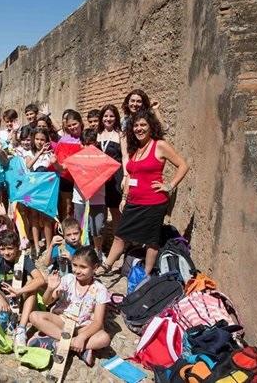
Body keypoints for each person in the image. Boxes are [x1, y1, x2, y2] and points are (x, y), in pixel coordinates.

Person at [98, 110, 189, 276]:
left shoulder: (160, 145)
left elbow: (183, 165)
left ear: (151, 127)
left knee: (151, 241)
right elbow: (131, 175)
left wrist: (169, 185)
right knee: (120, 235)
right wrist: (125, 197)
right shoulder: (136, 148)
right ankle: (106, 266)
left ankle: (145, 275)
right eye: (136, 125)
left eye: (143, 125)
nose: (139, 129)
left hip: (154, 202)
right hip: (133, 200)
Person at [28, 247, 111, 367]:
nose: (77, 270)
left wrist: (82, 337)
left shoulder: (100, 289)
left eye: (83, 267)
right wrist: (50, 288)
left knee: (104, 338)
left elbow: (98, 322)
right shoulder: (68, 279)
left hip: (82, 326)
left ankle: (54, 343)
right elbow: (46, 302)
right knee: (34, 316)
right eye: (75, 265)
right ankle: (76, 347)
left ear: (95, 267)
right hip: (62, 320)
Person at [0, 230, 45, 350]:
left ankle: (21, 330)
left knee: (32, 287)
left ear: (17, 247)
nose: (6, 253)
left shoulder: (24, 259)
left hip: (20, 297)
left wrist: (20, 291)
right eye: (3, 249)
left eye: (10, 248)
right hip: (3, 298)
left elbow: (40, 280)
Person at [72, 129, 106, 261]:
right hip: (80, 199)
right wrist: (55, 163)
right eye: (85, 144)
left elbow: (108, 175)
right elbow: (63, 167)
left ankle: (98, 251)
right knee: (80, 226)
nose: (88, 147)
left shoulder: (102, 157)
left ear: (96, 143)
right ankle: (82, 251)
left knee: (97, 228)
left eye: (91, 144)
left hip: (97, 198)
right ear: (81, 144)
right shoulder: (76, 158)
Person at [25, 127, 58, 253]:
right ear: (33, 140)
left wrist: (52, 159)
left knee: (47, 217)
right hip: (33, 189)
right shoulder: (29, 153)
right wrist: (39, 153)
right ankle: (37, 246)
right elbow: (29, 165)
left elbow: (56, 169)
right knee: (33, 217)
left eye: (42, 139)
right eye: (37, 139)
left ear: (47, 141)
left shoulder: (51, 154)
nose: (39, 142)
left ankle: (49, 246)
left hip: (47, 190)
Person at [96, 104, 126, 227]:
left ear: (116, 118)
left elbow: (125, 156)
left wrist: (125, 176)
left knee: (115, 210)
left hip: (115, 176)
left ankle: (118, 241)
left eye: (111, 116)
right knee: (99, 209)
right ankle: (99, 243)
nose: (108, 119)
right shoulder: (96, 134)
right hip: (99, 177)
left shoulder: (121, 135)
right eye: (105, 116)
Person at [57, 110, 84, 220]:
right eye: (69, 125)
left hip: (82, 178)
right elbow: (59, 157)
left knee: (81, 207)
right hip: (66, 177)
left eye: (74, 124)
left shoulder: (87, 136)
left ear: (80, 122)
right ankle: (67, 231)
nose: (72, 127)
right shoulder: (63, 139)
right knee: (67, 207)